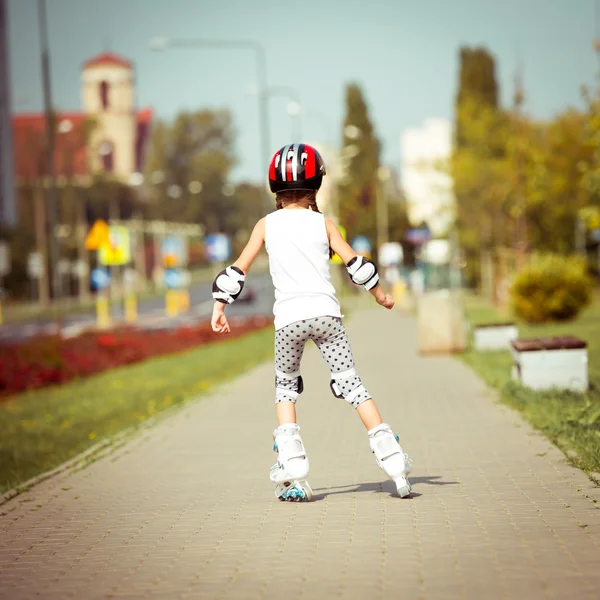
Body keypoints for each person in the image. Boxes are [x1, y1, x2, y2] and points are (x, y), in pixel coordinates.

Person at [211, 143, 412, 501]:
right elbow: (357, 266)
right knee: (351, 384)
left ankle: (293, 464)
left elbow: (237, 271)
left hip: (288, 322)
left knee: (286, 388)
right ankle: (392, 457)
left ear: (275, 186)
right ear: (317, 183)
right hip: (327, 317)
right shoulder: (323, 223)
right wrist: (381, 296)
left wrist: (220, 307)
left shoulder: (266, 225)